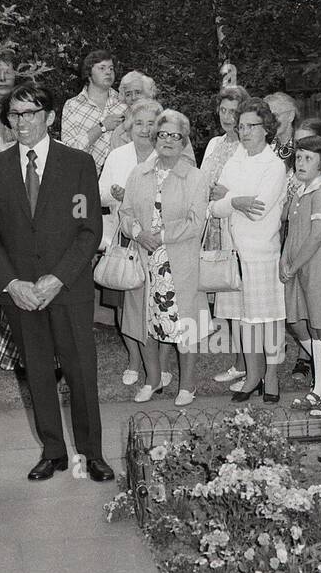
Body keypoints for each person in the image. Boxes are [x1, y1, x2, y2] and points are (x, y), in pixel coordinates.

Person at [0, 82, 113, 482]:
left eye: (31, 113)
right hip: (20, 293)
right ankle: (52, 451)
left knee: (81, 373)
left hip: (67, 289)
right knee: (36, 373)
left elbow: (90, 230)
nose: (22, 122)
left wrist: (58, 278)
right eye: (15, 115)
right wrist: (12, 283)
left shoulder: (78, 163)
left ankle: (92, 453)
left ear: (50, 117)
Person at [119, 109, 210, 407]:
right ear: (155, 138)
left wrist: (161, 234)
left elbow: (197, 222)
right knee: (145, 322)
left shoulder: (196, 177)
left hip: (178, 262)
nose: (168, 140)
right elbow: (126, 212)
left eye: (175, 136)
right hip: (145, 260)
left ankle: (188, 385)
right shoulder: (139, 173)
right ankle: (153, 379)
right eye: (163, 134)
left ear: (184, 141)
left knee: (183, 324)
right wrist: (137, 232)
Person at [209, 97, 289, 402]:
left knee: (267, 319)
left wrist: (232, 198)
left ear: (266, 128)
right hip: (234, 252)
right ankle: (253, 375)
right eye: (240, 126)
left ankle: (271, 376)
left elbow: (260, 208)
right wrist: (235, 201)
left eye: (251, 126)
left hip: (261, 253)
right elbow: (215, 206)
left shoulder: (274, 164)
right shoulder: (237, 158)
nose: (244, 132)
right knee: (244, 320)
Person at [99, 97, 164, 388]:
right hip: (124, 238)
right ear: (130, 126)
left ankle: (160, 366)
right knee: (126, 306)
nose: (144, 129)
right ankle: (134, 361)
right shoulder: (118, 155)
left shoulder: (167, 155)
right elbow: (99, 195)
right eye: (139, 123)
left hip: (158, 241)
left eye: (151, 123)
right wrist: (115, 193)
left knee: (159, 304)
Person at [281, 135, 321, 417]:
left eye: (308, 158)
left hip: (319, 267)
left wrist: (293, 266)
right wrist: (286, 259)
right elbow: (292, 231)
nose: (301, 162)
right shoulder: (302, 190)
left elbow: (318, 235)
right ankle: (318, 390)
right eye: (298, 157)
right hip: (301, 267)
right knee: (315, 329)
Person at [202, 84, 251, 383]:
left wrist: (228, 192)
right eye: (223, 110)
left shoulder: (249, 147)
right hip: (215, 227)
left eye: (234, 112)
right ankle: (239, 361)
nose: (228, 117)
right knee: (228, 298)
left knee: (244, 298)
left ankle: (250, 364)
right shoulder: (214, 144)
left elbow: (257, 192)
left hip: (239, 228)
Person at [60, 49, 126, 171]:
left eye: (111, 68)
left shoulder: (124, 104)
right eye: (102, 68)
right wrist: (102, 127)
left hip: (119, 180)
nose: (108, 72)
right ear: (89, 74)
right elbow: (68, 151)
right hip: (82, 178)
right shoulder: (73, 106)